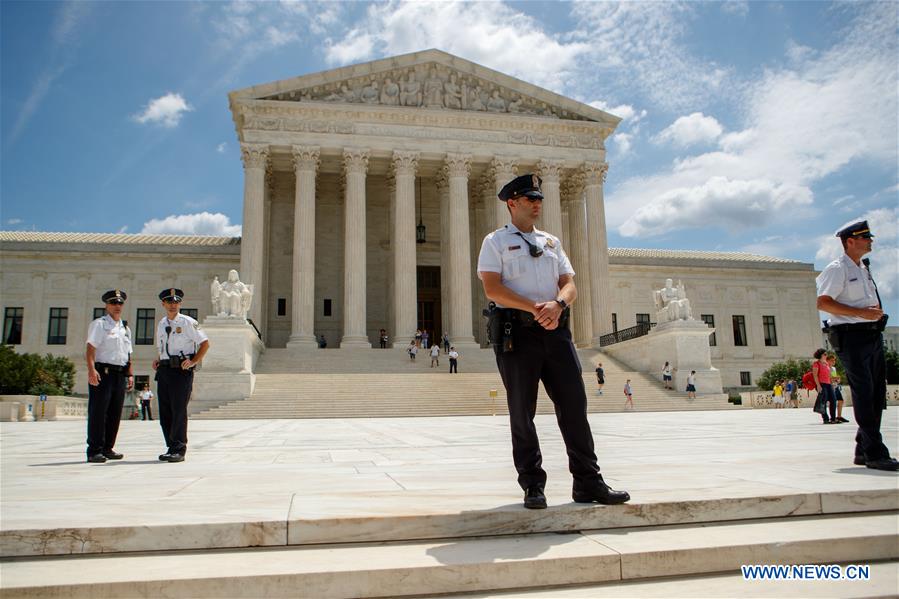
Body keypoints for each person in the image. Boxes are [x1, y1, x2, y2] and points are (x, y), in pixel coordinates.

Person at [478, 173, 629, 510]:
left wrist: (558, 304)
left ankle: (588, 482)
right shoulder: (496, 242)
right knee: (522, 411)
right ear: (511, 203)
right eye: (530, 199)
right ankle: (532, 485)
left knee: (575, 406)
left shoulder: (551, 242)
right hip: (517, 333)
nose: (537, 204)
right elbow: (492, 288)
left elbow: (569, 283)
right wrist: (535, 308)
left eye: (539, 199)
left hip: (556, 331)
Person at [817, 221, 897, 471]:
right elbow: (824, 303)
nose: (870, 241)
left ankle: (863, 449)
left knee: (875, 394)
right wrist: (861, 314)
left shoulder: (864, 268)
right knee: (864, 393)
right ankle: (875, 452)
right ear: (850, 241)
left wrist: (870, 316)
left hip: (871, 335)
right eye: (865, 237)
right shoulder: (836, 269)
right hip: (851, 337)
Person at [152, 288, 209, 463]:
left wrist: (193, 361)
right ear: (163, 304)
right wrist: (159, 359)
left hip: (181, 372)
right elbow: (163, 347)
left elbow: (205, 343)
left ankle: (179, 448)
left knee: (178, 410)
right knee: (165, 411)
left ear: (180, 304)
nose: (173, 305)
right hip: (164, 370)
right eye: (169, 302)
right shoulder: (162, 323)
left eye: (176, 302)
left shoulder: (187, 322)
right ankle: (170, 446)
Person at [84, 289, 133, 463]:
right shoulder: (99, 324)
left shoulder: (125, 327)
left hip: (119, 374)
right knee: (98, 412)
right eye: (113, 303)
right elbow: (91, 349)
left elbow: (128, 353)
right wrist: (91, 370)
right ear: (107, 306)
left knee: (114, 413)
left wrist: (130, 374)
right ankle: (94, 450)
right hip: (102, 373)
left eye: (120, 303)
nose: (117, 306)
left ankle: (108, 447)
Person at [812, 348, 836, 424]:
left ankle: (833, 419)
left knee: (833, 400)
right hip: (822, 384)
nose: (826, 355)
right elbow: (815, 376)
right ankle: (825, 419)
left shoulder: (826, 364)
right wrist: (818, 386)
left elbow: (829, 375)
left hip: (829, 384)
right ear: (821, 355)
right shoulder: (816, 364)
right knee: (823, 401)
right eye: (825, 354)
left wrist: (832, 383)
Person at [828, 354, 850, 423]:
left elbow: (833, 377)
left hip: (835, 386)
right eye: (832, 360)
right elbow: (828, 378)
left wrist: (837, 379)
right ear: (827, 361)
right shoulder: (826, 368)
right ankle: (832, 417)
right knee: (832, 402)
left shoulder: (833, 368)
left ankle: (839, 416)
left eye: (834, 360)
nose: (833, 362)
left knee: (841, 400)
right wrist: (835, 378)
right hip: (830, 387)